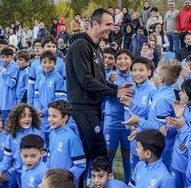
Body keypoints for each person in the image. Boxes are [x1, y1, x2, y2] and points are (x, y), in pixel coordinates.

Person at [66, 8, 133, 176]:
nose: (111, 27)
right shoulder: (80, 45)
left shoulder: (97, 49)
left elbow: (101, 81)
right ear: (95, 23)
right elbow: (86, 80)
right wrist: (114, 92)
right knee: (98, 151)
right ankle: (93, 182)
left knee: (93, 151)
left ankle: (89, 182)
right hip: (83, 107)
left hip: (93, 107)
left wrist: (117, 89)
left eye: (113, 24)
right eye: (108, 24)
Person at [122, 60, 182, 169]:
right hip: (153, 141)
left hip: (161, 147)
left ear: (161, 78)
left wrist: (138, 121)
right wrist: (132, 105)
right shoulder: (160, 92)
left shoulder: (163, 99)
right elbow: (149, 112)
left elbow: (159, 129)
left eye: (155, 73)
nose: (153, 75)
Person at [0, 103, 43, 187]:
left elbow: (43, 157)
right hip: (15, 171)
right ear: (16, 118)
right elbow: (7, 157)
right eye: (23, 116)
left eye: (30, 116)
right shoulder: (11, 135)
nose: (27, 119)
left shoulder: (38, 134)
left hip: (31, 172)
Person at [120, 56, 156, 171]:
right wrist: (129, 125)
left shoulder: (152, 90)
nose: (137, 73)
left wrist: (138, 128)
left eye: (141, 70)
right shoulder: (131, 88)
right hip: (133, 136)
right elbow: (127, 110)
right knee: (134, 168)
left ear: (149, 72)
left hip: (146, 137)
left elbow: (150, 115)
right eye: (134, 70)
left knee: (146, 168)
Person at [103, 50, 133, 184]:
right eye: (119, 58)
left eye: (126, 58)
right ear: (116, 62)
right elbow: (101, 97)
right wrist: (110, 85)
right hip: (112, 122)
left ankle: (128, 182)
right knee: (109, 154)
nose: (122, 61)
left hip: (129, 122)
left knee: (128, 154)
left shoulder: (136, 77)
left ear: (131, 61)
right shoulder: (110, 77)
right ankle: (108, 183)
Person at [47, 100, 86, 188]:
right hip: (52, 182)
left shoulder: (72, 138)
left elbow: (81, 165)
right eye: (49, 115)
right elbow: (50, 157)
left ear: (65, 118)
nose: (50, 119)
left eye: (54, 116)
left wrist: (64, 178)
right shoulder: (52, 134)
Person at [170, 78, 191, 188]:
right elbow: (178, 128)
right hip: (177, 160)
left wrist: (188, 141)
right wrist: (169, 126)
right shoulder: (185, 108)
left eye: (183, 91)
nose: (179, 93)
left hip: (189, 162)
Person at [34, 50, 66, 143]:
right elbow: (36, 96)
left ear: (54, 63)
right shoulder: (39, 77)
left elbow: (59, 100)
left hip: (51, 117)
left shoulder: (58, 78)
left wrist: (44, 111)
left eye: (50, 62)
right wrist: (38, 108)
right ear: (40, 63)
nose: (47, 65)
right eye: (44, 62)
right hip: (40, 118)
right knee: (41, 144)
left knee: (51, 143)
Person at [0, 47, 19, 123]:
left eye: (7, 57)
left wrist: (4, 72)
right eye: (3, 57)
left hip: (10, 102)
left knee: (10, 123)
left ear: (12, 57)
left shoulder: (15, 68)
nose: (5, 59)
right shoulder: (1, 68)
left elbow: (11, 84)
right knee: (2, 123)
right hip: (2, 102)